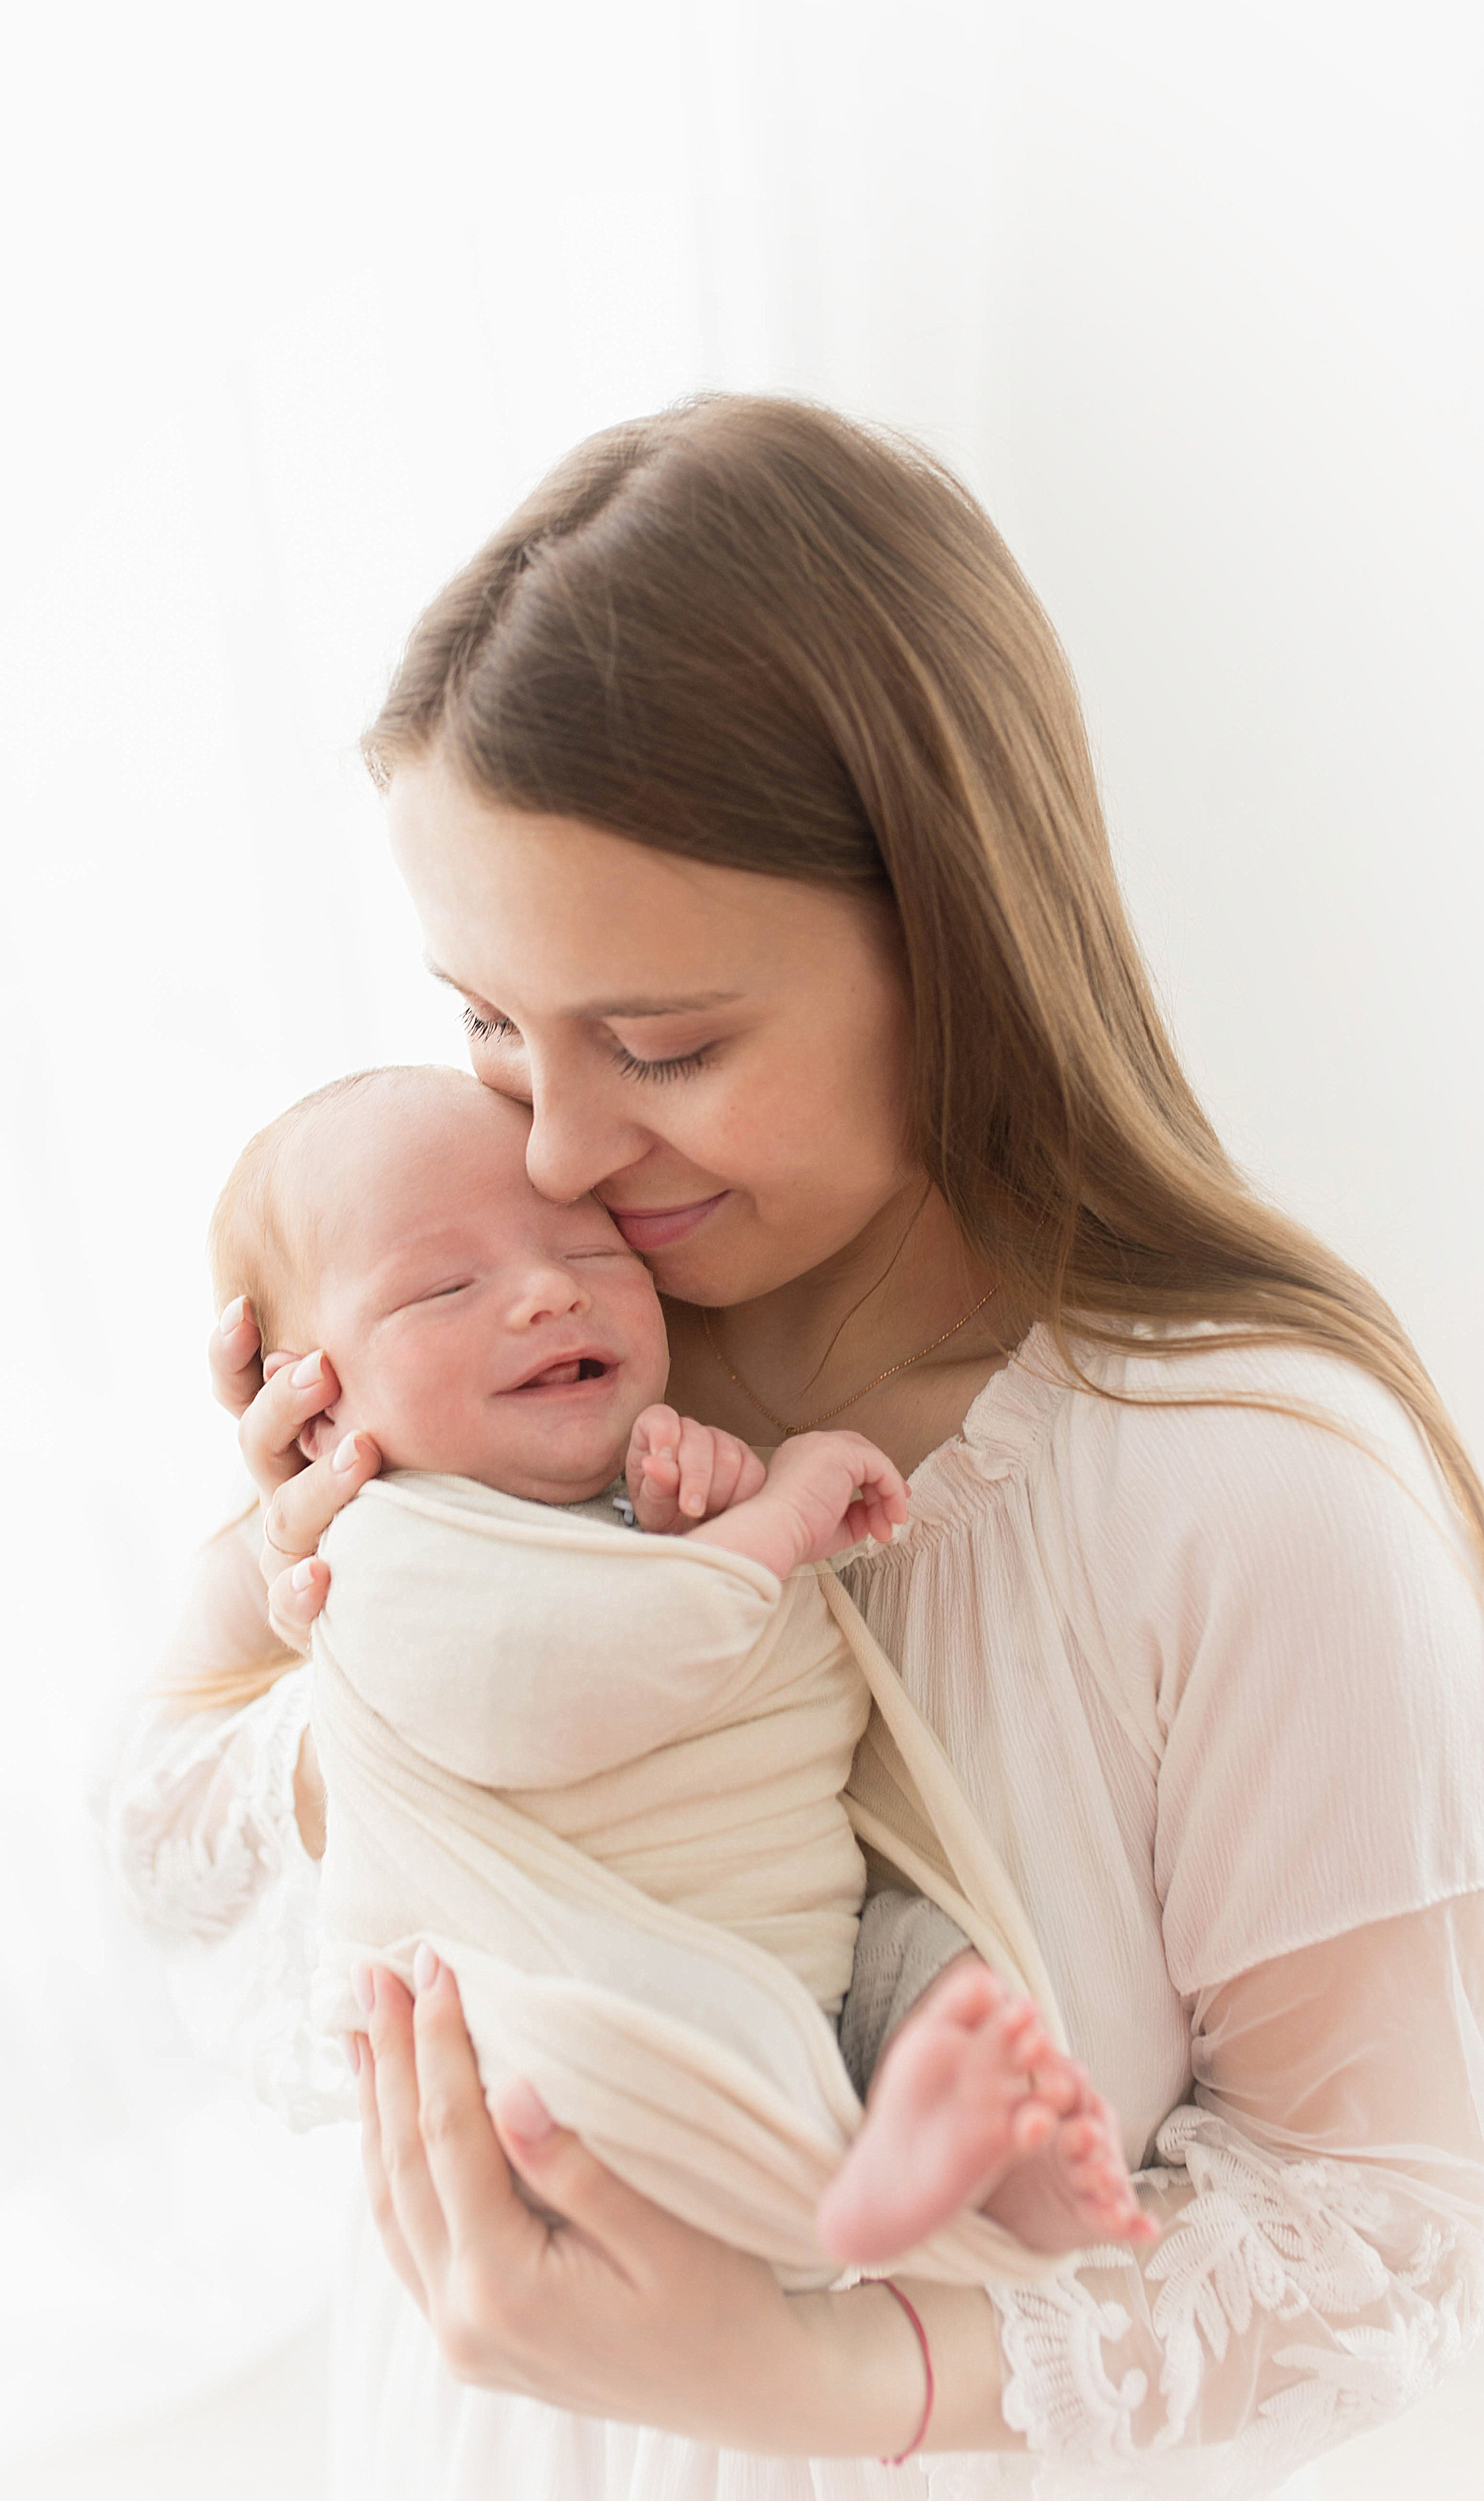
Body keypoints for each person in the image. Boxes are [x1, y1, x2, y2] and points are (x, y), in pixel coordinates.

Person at [107, 394, 1484, 2496]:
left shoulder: (1247, 1492)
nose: (553, 1148)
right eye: (486, 1020)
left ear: (953, 940)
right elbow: (191, 1914)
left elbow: (1387, 2232)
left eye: (656, 1044)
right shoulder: (530, 1379)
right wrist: (298, 1602)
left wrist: (829, 2375)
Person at [204, 1061, 1155, 2276]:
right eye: (447, 1285)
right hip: (590, 2020)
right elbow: (567, 1674)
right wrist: (776, 1523)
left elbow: (678, 1630)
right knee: (710, 2056)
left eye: (596, 1253)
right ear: (314, 1409)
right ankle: (834, 2202)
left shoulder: (616, 1489)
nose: (551, 1292)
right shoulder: (382, 1545)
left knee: (939, 1966)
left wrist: (685, 1516)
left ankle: (1000, 2166)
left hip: (787, 1946)